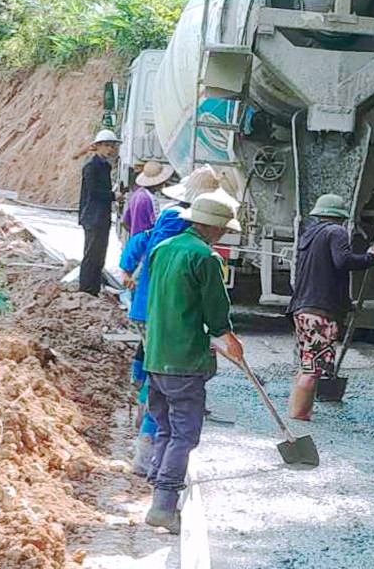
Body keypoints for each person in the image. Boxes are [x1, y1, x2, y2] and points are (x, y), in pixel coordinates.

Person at [142, 189, 244, 533]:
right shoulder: (205, 257)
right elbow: (217, 314)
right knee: (184, 434)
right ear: (214, 228)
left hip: (155, 356)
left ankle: (159, 494)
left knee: (166, 429)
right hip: (184, 360)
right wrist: (228, 338)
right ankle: (164, 505)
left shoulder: (162, 249)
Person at [119, 166, 229, 478]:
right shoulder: (176, 219)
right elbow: (155, 252)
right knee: (163, 374)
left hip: (160, 307)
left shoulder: (176, 218)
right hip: (158, 308)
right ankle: (147, 453)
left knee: (156, 374)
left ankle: (149, 446)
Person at [286, 193, 374, 419]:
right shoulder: (336, 232)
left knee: (306, 365)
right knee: (314, 369)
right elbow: (343, 261)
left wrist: (347, 305)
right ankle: (298, 417)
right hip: (320, 313)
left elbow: (324, 274)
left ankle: (299, 412)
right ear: (341, 216)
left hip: (302, 309)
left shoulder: (309, 235)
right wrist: (371, 259)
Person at [78, 130, 120, 296]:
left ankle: (93, 289)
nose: (110, 150)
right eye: (107, 146)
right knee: (91, 255)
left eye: (112, 146)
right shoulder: (92, 165)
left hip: (102, 217)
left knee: (99, 255)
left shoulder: (104, 165)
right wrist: (112, 196)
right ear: (98, 146)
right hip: (92, 217)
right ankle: (86, 290)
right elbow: (93, 191)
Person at [122, 160, 174, 237]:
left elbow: (126, 221)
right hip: (145, 239)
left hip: (135, 239)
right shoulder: (149, 199)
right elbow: (154, 223)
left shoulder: (136, 194)